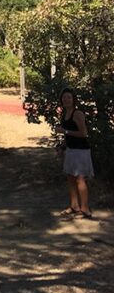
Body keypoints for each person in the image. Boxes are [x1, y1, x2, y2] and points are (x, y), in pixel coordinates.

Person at [57, 87, 94, 219]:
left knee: (80, 179)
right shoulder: (64, 114)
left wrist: (65, 131)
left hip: (81, 150)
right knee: (70, 178)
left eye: (69, 97)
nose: (66, 99)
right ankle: (74, 206)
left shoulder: (77, 114)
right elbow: (67, 136)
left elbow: (83, 134)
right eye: (64, 97)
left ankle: (85, 209)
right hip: (71, 149)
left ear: (73, 99)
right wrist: (62, 147)